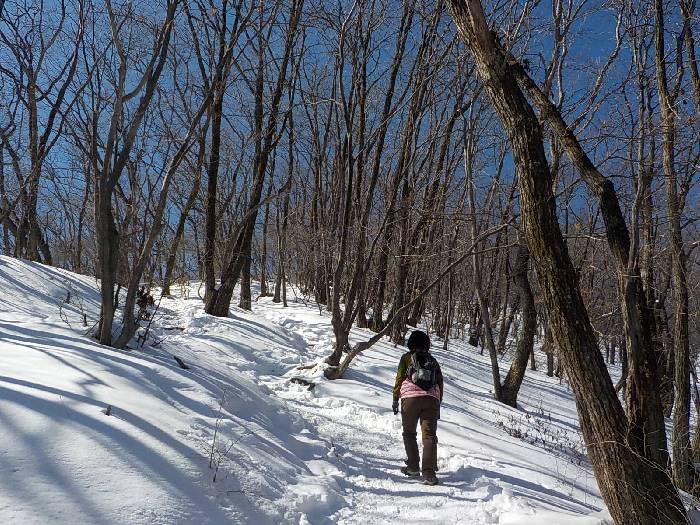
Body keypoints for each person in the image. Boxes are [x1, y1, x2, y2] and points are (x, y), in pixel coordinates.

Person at [392, 329, 443, 486]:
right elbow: (440, 383)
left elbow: (400, 379)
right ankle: (429, 473)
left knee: (409, 433)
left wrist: (395, 398)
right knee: (429, 436)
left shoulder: (406, 358)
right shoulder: (433, 360)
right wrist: (437, 404)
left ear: (411, 344)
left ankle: (413, 467)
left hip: (410, 399)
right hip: (431, 399)